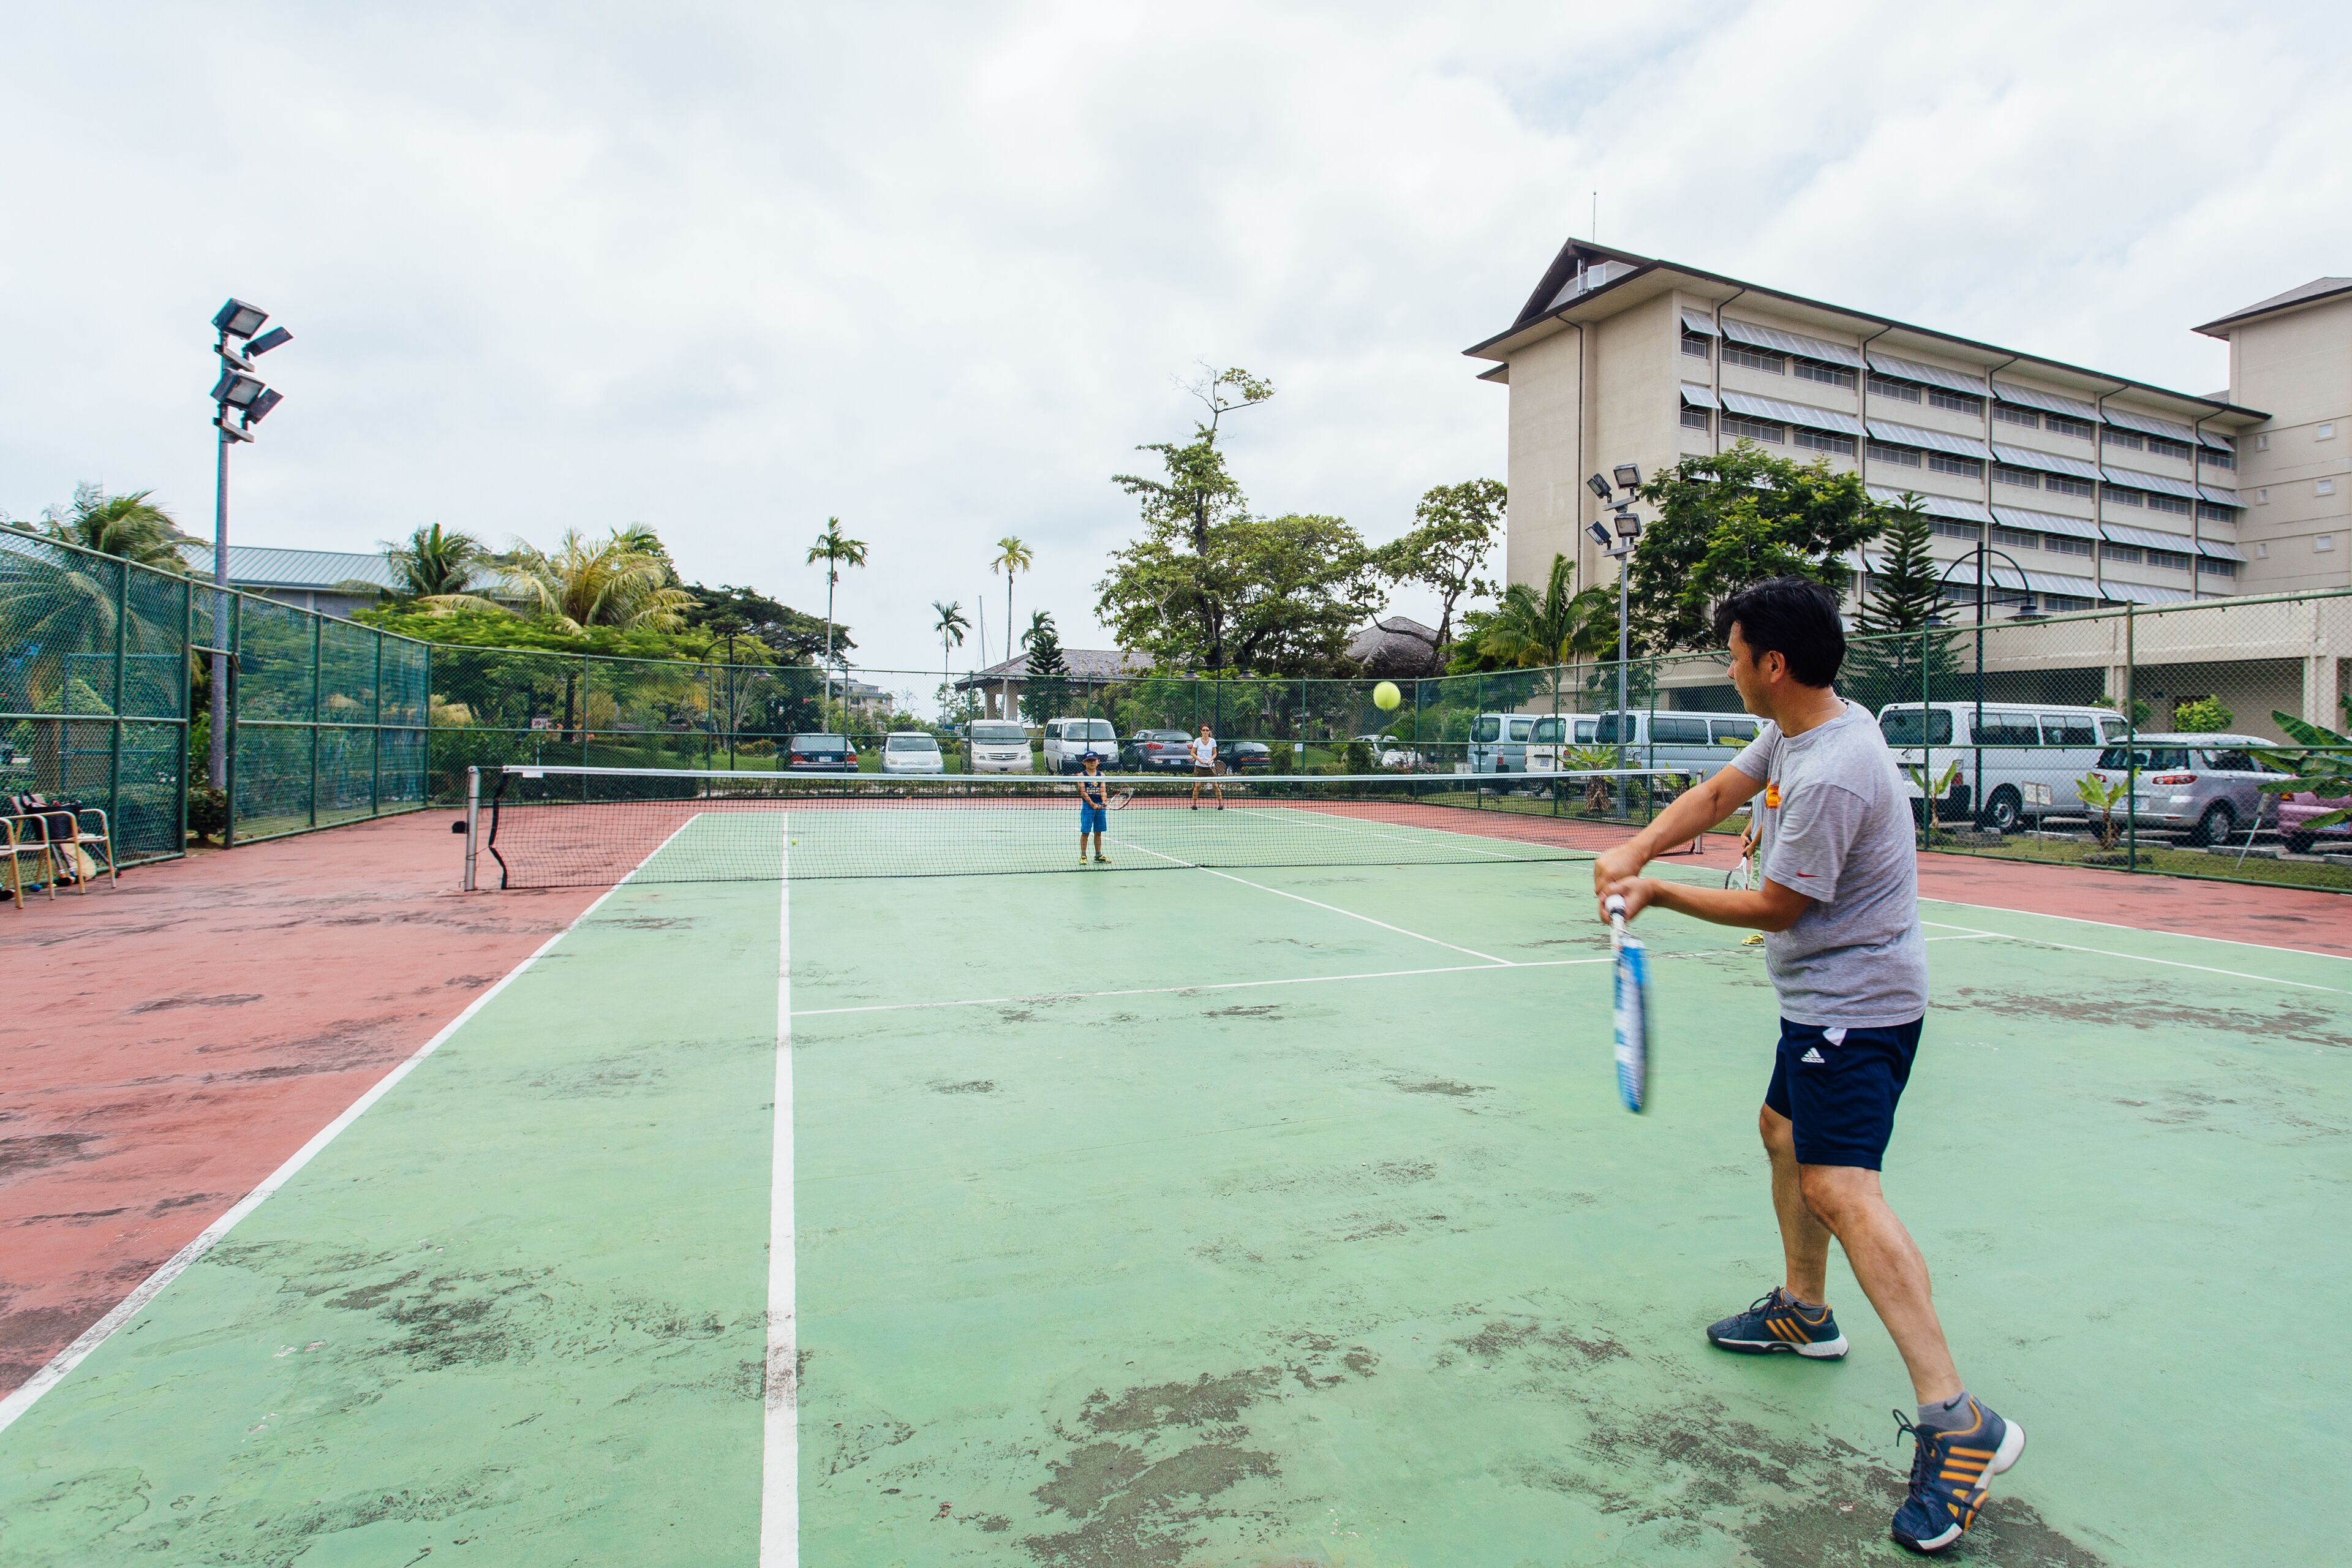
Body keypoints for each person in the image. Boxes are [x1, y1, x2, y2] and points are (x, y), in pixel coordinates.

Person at [1591, 578, 2022, 1556]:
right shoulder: (1802, 728)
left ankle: (1958, 1421)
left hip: (1856, 1010)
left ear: (1771, 665)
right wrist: (1633, 845)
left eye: (1735, 654)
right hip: (1826, 1002)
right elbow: (1720, 793)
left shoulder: (1834, 766)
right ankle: (1805, 1312)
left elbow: (1780, 907)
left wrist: (1656, 890)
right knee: (1781, 1132)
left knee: (1842, 1187)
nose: (1731, 668)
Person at [1076, 751, 1110, 864]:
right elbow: (1083, 792)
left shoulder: (1102, 775)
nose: (1092, 763)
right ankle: (1083, 856)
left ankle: (1098, 855)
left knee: (1098, 832)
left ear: (1098, 762)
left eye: (1094, 760)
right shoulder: (1081, 776)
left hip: (1100, 807)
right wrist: (1093, 805)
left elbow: (1103, 790)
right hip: (1088, 807)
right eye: (1089, 761)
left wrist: (1104, 802)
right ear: (1084, 763)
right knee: (1085, 832)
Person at [1188, 723, 1224, 810]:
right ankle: (1194, 805)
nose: (1205, 732)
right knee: (1198, 786)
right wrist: (1200, 760)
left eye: (1207, 730)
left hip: (1210, 767)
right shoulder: (1197, 741)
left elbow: (1215, 753)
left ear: (1209, 731)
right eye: (1203, 730)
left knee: (1215, 785)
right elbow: (1192, 753)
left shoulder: (1213, 741)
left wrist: (1210, 760)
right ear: (1201, 731)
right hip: (1199, 767)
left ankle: (1221, 804)